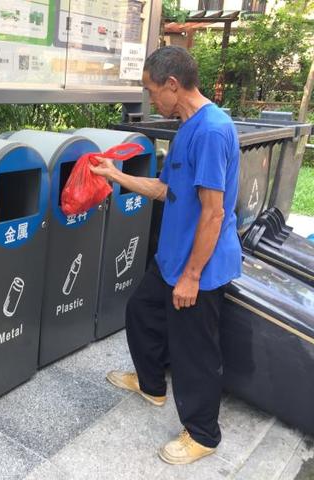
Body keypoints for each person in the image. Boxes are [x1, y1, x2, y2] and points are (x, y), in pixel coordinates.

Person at [90, 46, 242, 465]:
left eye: (151, 90)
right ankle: (151, 384)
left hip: (199, 266)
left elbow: (213, 213)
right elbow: (163, 189)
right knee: (142, 311)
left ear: (172, 84)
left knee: (195, 352)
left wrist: (191, 276)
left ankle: (203, 434)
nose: (150, 98)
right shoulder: (188, 126)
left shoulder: (211, 132)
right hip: (172, 257)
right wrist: (114, 175)